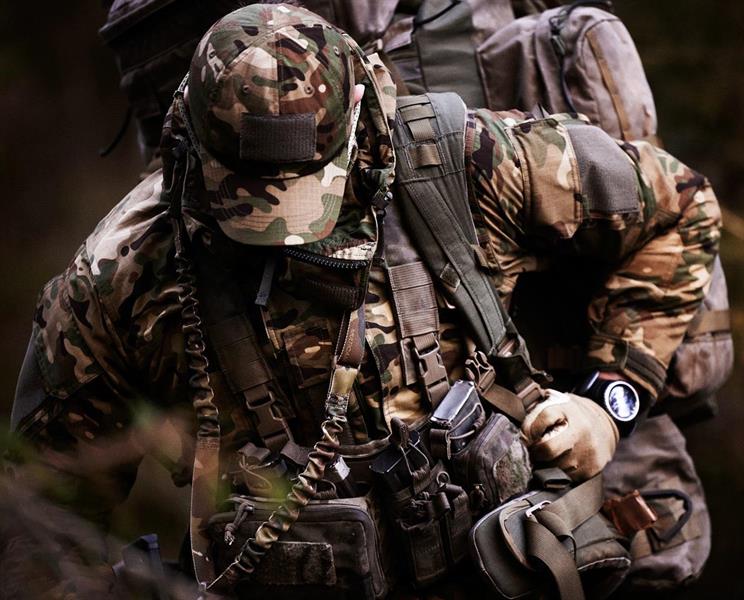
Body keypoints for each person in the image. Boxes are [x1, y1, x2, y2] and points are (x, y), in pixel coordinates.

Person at [7, 3, 721, 598]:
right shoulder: (121, 274)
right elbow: (39, 512)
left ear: (356, 120)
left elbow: (681, 206)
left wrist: (610, 400)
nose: (283, 235)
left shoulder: (463, 161)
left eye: (302, 195)